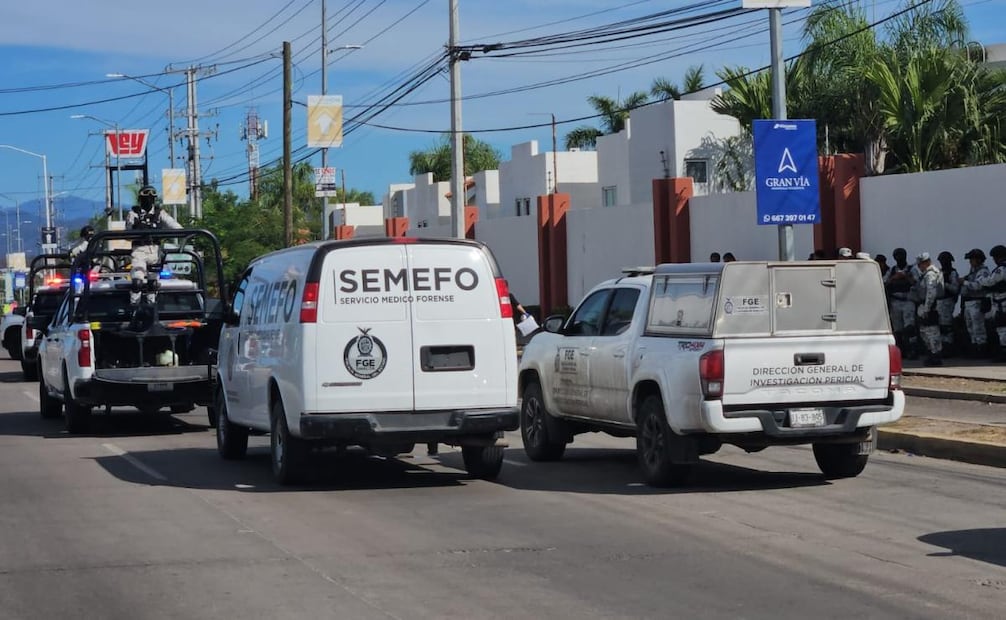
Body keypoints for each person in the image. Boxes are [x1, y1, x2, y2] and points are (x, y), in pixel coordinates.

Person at [125, 185, 182, 305]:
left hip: (155, 251)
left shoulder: (159, 213)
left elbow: (174, 225)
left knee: (153, 284)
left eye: (152, 198)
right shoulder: (133, 213)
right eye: (146, 198)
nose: (149, 200)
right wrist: (138, 232)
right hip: (139, 250)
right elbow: (127, 233)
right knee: (137, 282)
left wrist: (183, 232)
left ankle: (152, 307)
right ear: (140, 199)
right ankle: (134, 307)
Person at [885, 248, 918, 359]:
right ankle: (900, 351)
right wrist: (894, 277)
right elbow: (884, 282)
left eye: (901, 256)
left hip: (908, 301)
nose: (899, 258)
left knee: (909, 327)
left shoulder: (912, 269)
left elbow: (916, 282)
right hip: (896, 301)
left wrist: (906, 276)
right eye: (897, 256)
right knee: (897, 329)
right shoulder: (892, 270)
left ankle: (912, 350)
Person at [960, 248, 991, 357]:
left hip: (977, 301)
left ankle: (981, 349)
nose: (970, 262)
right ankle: (974, 347)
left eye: (972, 259)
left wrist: (965, 282)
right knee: (970, 327)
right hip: (969, 302)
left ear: (978, 260)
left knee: (978, 327)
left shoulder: (983, 272)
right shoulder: (972, 272)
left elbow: (978, 286)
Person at [915, 252, 944, 366]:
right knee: (925, 331)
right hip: (926, 305)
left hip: (930, 306)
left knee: (932, 332)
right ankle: (932, 354)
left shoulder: (930, 274)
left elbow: (931, 292)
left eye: (921, 264)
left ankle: (935, 355)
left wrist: (927, 308)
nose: (919, 267)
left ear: (926, 262)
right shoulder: (927, 274)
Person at [978, 245, 1006, 361]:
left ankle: (1004, 353)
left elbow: (990, 281)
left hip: (1002, 301)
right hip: (1001, 300)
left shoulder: (1002, 269)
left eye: (994, 257)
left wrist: (980, 280)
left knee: (1002, 328)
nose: (994, 260)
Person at [935, 251, 960, 356]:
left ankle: (948, 347)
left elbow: (955, 289)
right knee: (940, 326)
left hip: (947, 301)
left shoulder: (952, 273)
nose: (943, 263)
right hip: (939, 301)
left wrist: (944, 283)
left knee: (946, 326)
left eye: (945, 261)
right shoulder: (939, 272)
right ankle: (943, 347)